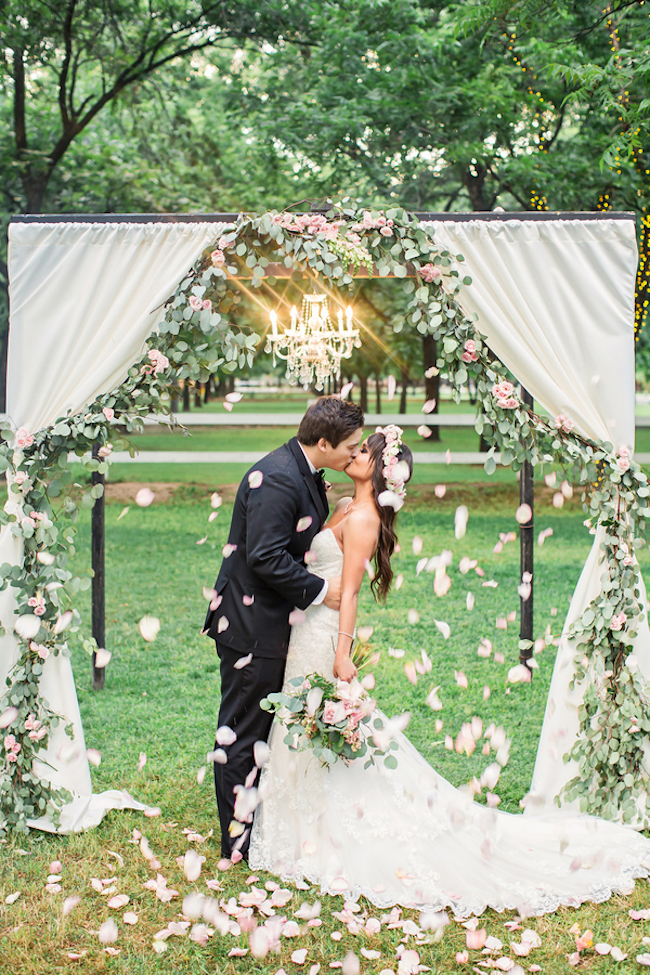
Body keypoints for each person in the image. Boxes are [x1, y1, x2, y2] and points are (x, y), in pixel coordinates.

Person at [248, 425, 650, 918]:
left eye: (366, 450)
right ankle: (303, 821)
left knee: (319, 723)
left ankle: (323, 827)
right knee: (306, 724)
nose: (355, 452)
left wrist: (343, 652)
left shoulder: (363, 520)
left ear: (379, 470)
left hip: (325, 633)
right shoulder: (346, 506)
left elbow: (349, 592)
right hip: (306, 626)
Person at [204, 396, 364, 860]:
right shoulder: (277, 477)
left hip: (274, 623)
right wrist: (321, 591)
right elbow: (266, 556)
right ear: (322, 442)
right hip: (252, 626)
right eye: (350, 448)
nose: (354, 455)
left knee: (263, 729)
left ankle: (262, 828)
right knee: (243, 732)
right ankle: (235, 845)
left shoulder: (304, 469)